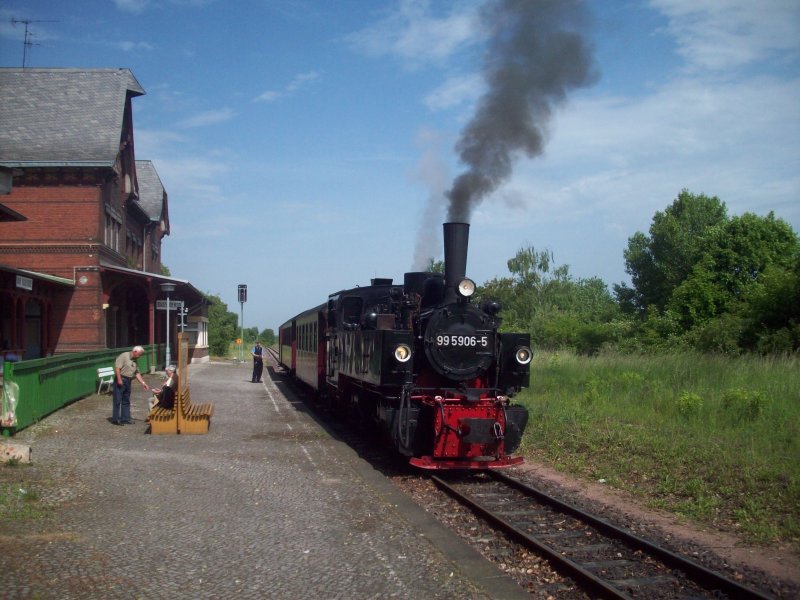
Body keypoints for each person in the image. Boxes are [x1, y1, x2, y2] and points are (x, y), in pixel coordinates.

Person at [111, 345, 149, 425]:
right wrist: (119, 379)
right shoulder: (124, 356)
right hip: (121, 378)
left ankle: (125, 418)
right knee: (117, 400)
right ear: (134, 351)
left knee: (126, 400)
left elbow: (137, 372)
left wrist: (143, 383)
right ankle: (116, 419)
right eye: (139, 354)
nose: (140, 356)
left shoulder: (135, 360)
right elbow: (117, 368)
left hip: (128, 380)